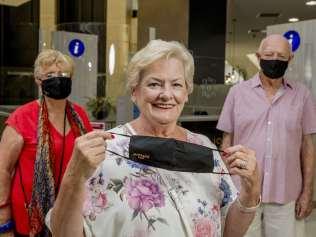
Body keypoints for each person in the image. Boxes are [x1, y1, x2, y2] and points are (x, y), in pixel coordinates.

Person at [47, 40, 261, 237]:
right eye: (154, 84)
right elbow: (63, 233)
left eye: (176, 84)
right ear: (134, 92)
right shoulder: (105, 150)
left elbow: (231, 232)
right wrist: (73, 176)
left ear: (187, 92)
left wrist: (251, 191)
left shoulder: (203, 147)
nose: (166, 94)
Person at [217, 34, 316, 237]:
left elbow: (308, 145)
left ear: (290, 59)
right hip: (242, 189)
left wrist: (308, 191)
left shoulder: (302, 95)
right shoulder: (237, 93)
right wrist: (224, 185)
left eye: (281, 55)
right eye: (269, 54)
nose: (275, 59)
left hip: (286, 191)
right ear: (258, 56)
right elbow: (227, 141)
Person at [0, 49, 93, 236]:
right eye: (50, 75)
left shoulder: (79, 116)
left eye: (63, 74)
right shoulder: (23, 117)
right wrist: (3, 220)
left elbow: (90, 162)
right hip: (28, 218)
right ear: (38, 80)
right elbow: (3, 170)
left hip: (72, 214)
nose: (58, 79)